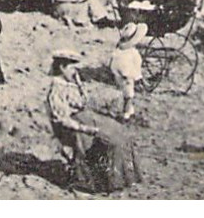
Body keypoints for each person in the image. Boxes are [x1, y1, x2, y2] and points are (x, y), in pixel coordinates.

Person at [47, 49, 141, 193]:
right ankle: (105, 181)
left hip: (85, 117)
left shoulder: (70, 83)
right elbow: (62, 119)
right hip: (74, 128)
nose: (74, 71)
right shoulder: (56, 89)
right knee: (109, 139)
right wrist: (86, 129)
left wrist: (78, 83)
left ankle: (125, 177)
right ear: (62, 68)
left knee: (119, 131)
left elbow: (84, 101)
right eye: (71, 67)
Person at [110, 23, 148, 119]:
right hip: (127, 74)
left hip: (120, 73)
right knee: (128, 94)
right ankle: (126, 112)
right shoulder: (132, 53)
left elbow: (113, 61)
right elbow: (135, 64)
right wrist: (138, 77)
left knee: (126, 92)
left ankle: (129, 109)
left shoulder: (119, 51)